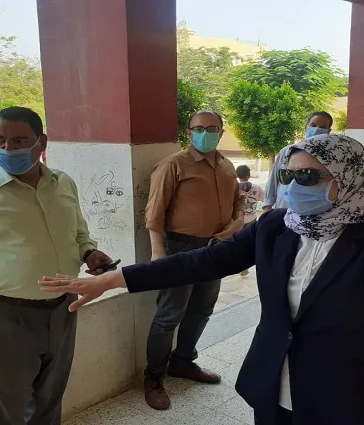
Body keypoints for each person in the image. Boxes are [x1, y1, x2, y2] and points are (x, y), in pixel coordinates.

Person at [41, 134, 364, 425]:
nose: (293, 186)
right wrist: (114, 280)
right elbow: (202, 261)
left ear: (349, 177)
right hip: (272, 385)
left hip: (350, 395)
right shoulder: (276, 227)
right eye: (287, 175)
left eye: (308, 177)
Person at [0, 106, 114, 425]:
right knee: (5, 408)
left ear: (41, 142)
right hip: (6, 316)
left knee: (49, 401)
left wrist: (89, 252)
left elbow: (78, 232)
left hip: (64, 308)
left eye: (19, 141)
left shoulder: (62, 183)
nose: (7, 149)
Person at [141, 110, 245, 410]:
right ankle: (153, 377)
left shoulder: (226, 165)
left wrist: (238, 221)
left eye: (212, 128)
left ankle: (183, 361)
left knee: (202, 309)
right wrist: (158, 252)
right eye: (199, 128)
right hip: (180, 247)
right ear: (189, 132)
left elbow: (238, 200)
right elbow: (154, 211)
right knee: (168, 316)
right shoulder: (173, 164)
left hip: (215, 247)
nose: (205, 133)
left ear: (221, 132)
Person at [262, 111, 333, 211]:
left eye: (322, 127)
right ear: (306, 127)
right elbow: (274, 180)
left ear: (328, 131)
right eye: (313, 125)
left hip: (312, 211)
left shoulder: (331, 156)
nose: (317, 129)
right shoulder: (287, 151)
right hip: (283, 208)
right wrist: (267, 207)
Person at [236, 164, 264, 276]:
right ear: (249, 175)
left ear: (237, 175)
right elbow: (264, 199)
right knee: (251, 242)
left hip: (237, 220)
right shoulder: (257, 188)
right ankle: (251, 263)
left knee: (238, 243)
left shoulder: (233, 188)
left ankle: (241, 265)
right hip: (252, 219)